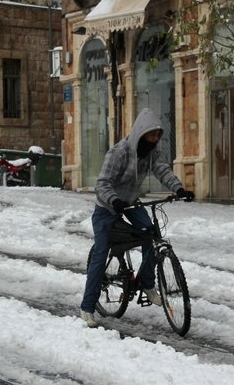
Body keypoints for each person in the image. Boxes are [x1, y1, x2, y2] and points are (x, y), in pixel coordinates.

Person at [79, 108, 195, 328]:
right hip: (107, 207)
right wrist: (114, 201)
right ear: (141, 133)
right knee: (101, 253)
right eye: (151, 136)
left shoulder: (151, 152)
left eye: (157, 136)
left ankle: (147, 282)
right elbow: (102, 184)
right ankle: (87, 307)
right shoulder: (119, 153)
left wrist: (179, 189)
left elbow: (162, 170)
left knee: (152, 235)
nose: (154, 140)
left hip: (130, 203)